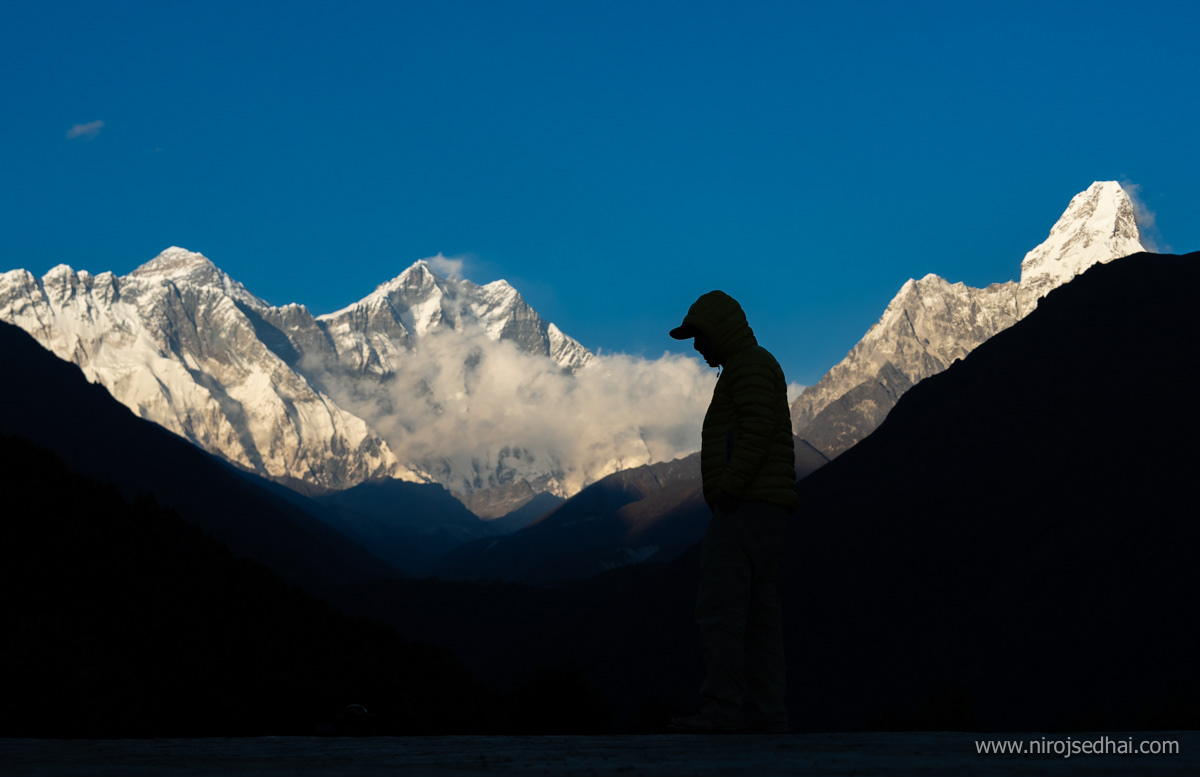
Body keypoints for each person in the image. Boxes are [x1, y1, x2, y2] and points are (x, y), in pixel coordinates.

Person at [666, 290, 798, 733]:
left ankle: (723, 708)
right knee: (760, 614)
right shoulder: (750, 368)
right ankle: (767, 712)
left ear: (719, 331)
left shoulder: (750, 368)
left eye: (699, 337)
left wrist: (729, 491)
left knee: (721, 607)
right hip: (763, 507)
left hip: (746, 506)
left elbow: (758, 430)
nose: (698, 348)